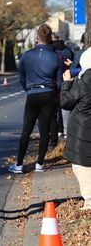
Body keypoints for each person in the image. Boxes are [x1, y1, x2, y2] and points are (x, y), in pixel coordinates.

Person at [8, 24, 63, 174]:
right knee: (44, 131)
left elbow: (22, 79)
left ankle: (19, 164)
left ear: (36, 38)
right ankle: (39, 164)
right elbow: (59, 82)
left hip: (33, 95)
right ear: (50, 38)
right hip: (49, 94)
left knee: (26, 129)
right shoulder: (56, 57)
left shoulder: (26, 55)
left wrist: (30, 90)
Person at [60, 47, 91, 210]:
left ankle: (89, 203)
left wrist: (66, 83)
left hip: (83, 132)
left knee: (82, 168)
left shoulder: (85, 82)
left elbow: (66, 102)